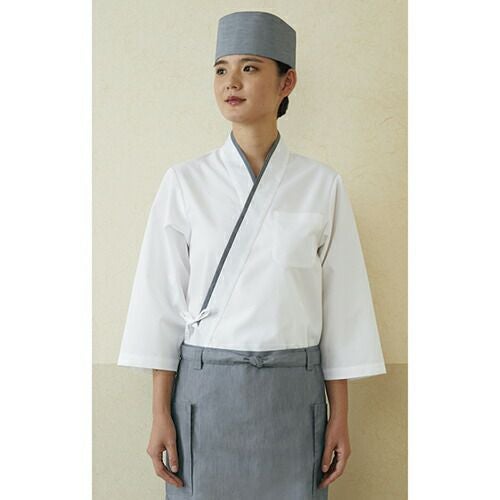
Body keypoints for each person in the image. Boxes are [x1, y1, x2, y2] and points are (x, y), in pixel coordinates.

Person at [117, 10, 387, 500]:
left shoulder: (321, 185)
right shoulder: (185, 183)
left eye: (249, 67)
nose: (231, 82)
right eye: (221, 69)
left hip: (294, 396)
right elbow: (160, 304)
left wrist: (339, 417)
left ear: (287, 82)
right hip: (204, 396)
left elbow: (343, 311)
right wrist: (159, 413)